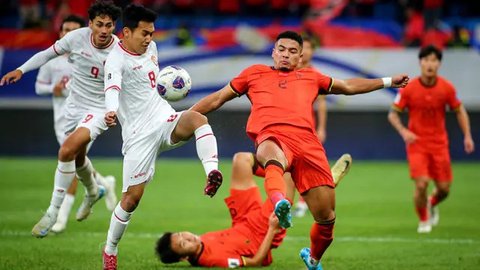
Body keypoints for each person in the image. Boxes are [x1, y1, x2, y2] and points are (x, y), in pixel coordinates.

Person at [190, 30, 409, 269]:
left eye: (292, 51)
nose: (286, 54)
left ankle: (313, 259)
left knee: (326, 219)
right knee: (269, 155)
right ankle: (279, 203)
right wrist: (184, 116)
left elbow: (348, 86)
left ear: (301, 56)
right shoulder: (253, 74)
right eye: (281, 49)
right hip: (273, 137)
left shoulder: (311, 77)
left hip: (308, 146)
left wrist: (387, 81)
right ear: (273, 52)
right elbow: (218, 98)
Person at [101, 5, 223, 269]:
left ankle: (212, 172)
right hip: (138, 136)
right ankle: (110, 250)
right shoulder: (115, 60)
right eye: (144, 33)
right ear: (126, 32)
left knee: (197, 119)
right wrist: (111, 110)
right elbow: (112, 88)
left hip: (164, 119)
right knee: (131, 199)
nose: (149, 39)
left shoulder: (152, 49)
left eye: (152, 33)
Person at [0, 0, 122, 238]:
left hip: (98, 110)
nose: (104, 30)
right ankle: (94, 190)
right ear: (91, 24)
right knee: (78, 158)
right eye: (100, 24)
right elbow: (46, 54)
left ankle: (53, 213)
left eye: (109, 25)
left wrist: (112, 109)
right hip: (73, 107)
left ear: (114, 26)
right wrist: (21, 70)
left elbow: (118, 85)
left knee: (66, 151)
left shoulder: (119, 50)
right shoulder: (76, 38)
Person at [155, 151, 351, 268]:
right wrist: (273, 229)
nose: (188, 238)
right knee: (290, 174)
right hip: (261, 231)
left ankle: (310, 183)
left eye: (182, 234)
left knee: (241, 160)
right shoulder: (213, 260)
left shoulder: (199, 243)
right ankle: (321, 185)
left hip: (242, 219)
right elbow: (257, 261)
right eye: (183, 244)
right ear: (183, 258)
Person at [34, 14, 118, 234]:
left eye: (73, 29)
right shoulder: (53, 61)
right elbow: (39, 86)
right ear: (60, 33)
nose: (69, 34)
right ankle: (102, 185)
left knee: (69, 157)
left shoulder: (93, 56)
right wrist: (52, 89)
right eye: (65, 30)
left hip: (88, 116)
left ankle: (58, 217)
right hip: (62, 118)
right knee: (78, 159)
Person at [388, 45, 475, 234]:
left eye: (434, 60)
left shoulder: (447, 88)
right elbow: (393, 114)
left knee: (444, 189)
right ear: (420, 62)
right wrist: (404, 131)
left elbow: (459, 110)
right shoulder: (408, 88)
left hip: (440, 144)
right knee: (421, 184)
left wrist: (467, 135)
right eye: (426, 60)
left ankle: (431, 202)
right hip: (417, 144)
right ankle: (424, 220)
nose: (430, 64)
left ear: (439, 63)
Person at [292, 35, 328, 218]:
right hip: (288, 125)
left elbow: (321, 104)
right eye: (302, 47)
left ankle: (302, 201)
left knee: (306, 165)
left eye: (308, 48)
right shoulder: (287, 71)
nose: (305, 51)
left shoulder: (315, 75)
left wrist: (321, 128)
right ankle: (286, 199)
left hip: (307, 126)